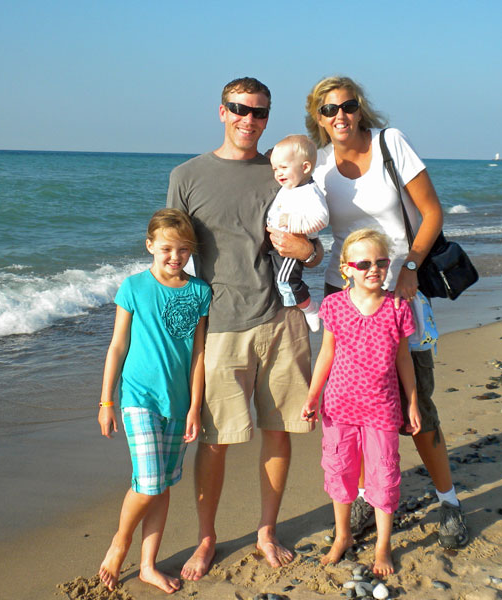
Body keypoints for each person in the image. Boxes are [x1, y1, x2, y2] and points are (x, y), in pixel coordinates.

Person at [166, 77, 322, 580]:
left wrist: (313, 254)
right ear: (221, 111)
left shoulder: (283, 171)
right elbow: (171, 255)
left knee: (280, 431)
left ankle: (267, 530)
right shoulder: (187, 175)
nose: (248, 120)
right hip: (220, 326)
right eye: (239, 109)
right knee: (214, 439)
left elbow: (318, 238)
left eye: (259, 113)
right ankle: (207, 538)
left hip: (283, 319)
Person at [305, 75, 469, 549]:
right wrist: (301, 248)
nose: (340, 116)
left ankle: (449, 501)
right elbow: (310, 231)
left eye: (348, 106)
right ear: (317, 117)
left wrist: (410, 267)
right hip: (346, 297)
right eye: (328, 109)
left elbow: (432, 212)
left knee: (417, 406)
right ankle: (363, 495)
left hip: (402, 293)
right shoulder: (316, 168)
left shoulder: (390, 143)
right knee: (353, 404)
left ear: (361, 108)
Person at [97, 208, 211, 593]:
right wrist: (106, 402)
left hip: (177, 403)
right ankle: (120, 543)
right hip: (138, 397)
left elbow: (199, 355)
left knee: (162, 485)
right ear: (150, 246)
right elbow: (117, 347)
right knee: (147, 483)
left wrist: (195, 406)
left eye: (182, 250)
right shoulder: (133, 287)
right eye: (166, 248)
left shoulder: (200, 292)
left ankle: (147, 565)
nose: (174, 256)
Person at [302, 228, 421, 576]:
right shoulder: (335, 305)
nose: (374, 269)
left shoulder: (397, 307)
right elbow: (326, 354)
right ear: (346, 269)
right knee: (340, 473)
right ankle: (343, 536)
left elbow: (404, 360)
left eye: (381, 262)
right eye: (364, 263)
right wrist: (312, 394)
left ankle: (383, 545)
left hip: (382, 410)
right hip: (338, 408)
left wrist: (412, 402)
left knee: (384, 476)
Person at [267, 134, 329, 332]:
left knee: (285, 280)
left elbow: (322, 219)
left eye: (283, 168)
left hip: (294, 243)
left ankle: (310, 308)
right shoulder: (290, 186)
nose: (278, 174)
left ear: (305, 167)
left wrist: (293, 224)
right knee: (277, 278)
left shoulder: (310, 191)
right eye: (275, 169)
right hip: (280, 243)